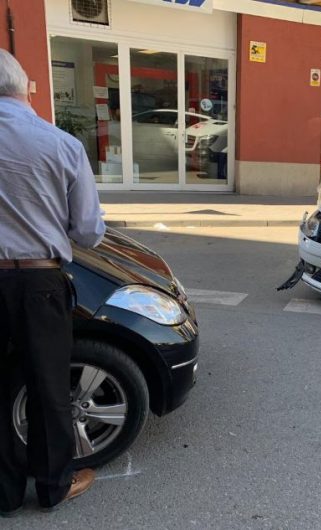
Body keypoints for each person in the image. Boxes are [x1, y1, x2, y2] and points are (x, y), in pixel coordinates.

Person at [0, 49, 105, 516]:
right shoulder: (60, 144)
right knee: (48, 389)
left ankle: (1, 493)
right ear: (26, 88)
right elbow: (88, 231)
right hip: (40, 283)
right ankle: (52, 486)